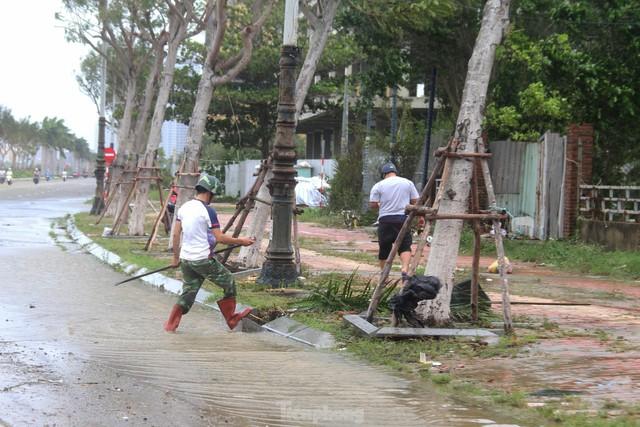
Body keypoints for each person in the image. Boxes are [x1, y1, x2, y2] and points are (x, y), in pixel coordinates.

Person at [164, 174, 255, 333]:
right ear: (209, 193)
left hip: (186, 260)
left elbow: (176, 235)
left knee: (189, 292)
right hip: (202, 260)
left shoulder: (184, 207)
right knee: (229, 281)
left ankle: (170, 326)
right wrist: (243, 241)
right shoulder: (208, 211)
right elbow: (219, 237)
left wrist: (175, 258)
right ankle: (231, 318)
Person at [369, 162, 420, 282]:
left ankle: (384, 275)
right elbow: (415, 201)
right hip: (402, 219)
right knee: (405, 245)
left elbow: (372, 204)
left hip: (385, 220)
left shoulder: (378, 185)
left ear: (383, 174)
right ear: (395, 172)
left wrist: (380, 204)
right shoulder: (407, 183)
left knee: (384, 247)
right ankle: (404, 270)